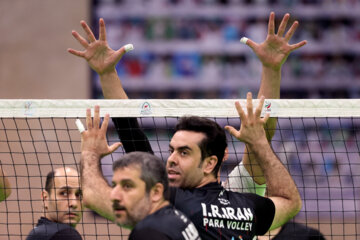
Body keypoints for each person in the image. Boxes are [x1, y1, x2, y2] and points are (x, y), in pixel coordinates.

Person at [80, 109, 200, 239]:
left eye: (127, 186)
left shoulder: (149, 232)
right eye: (114, 185)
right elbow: (92, 196)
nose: (114, 195)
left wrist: (90, 151)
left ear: (156, 192)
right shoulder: (177, 220)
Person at [26, 167, 83, 240]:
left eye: (79, 195)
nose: (74, 203)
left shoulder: (37, 232)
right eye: (64, 193)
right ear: (45, 198)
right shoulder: (65, 235)